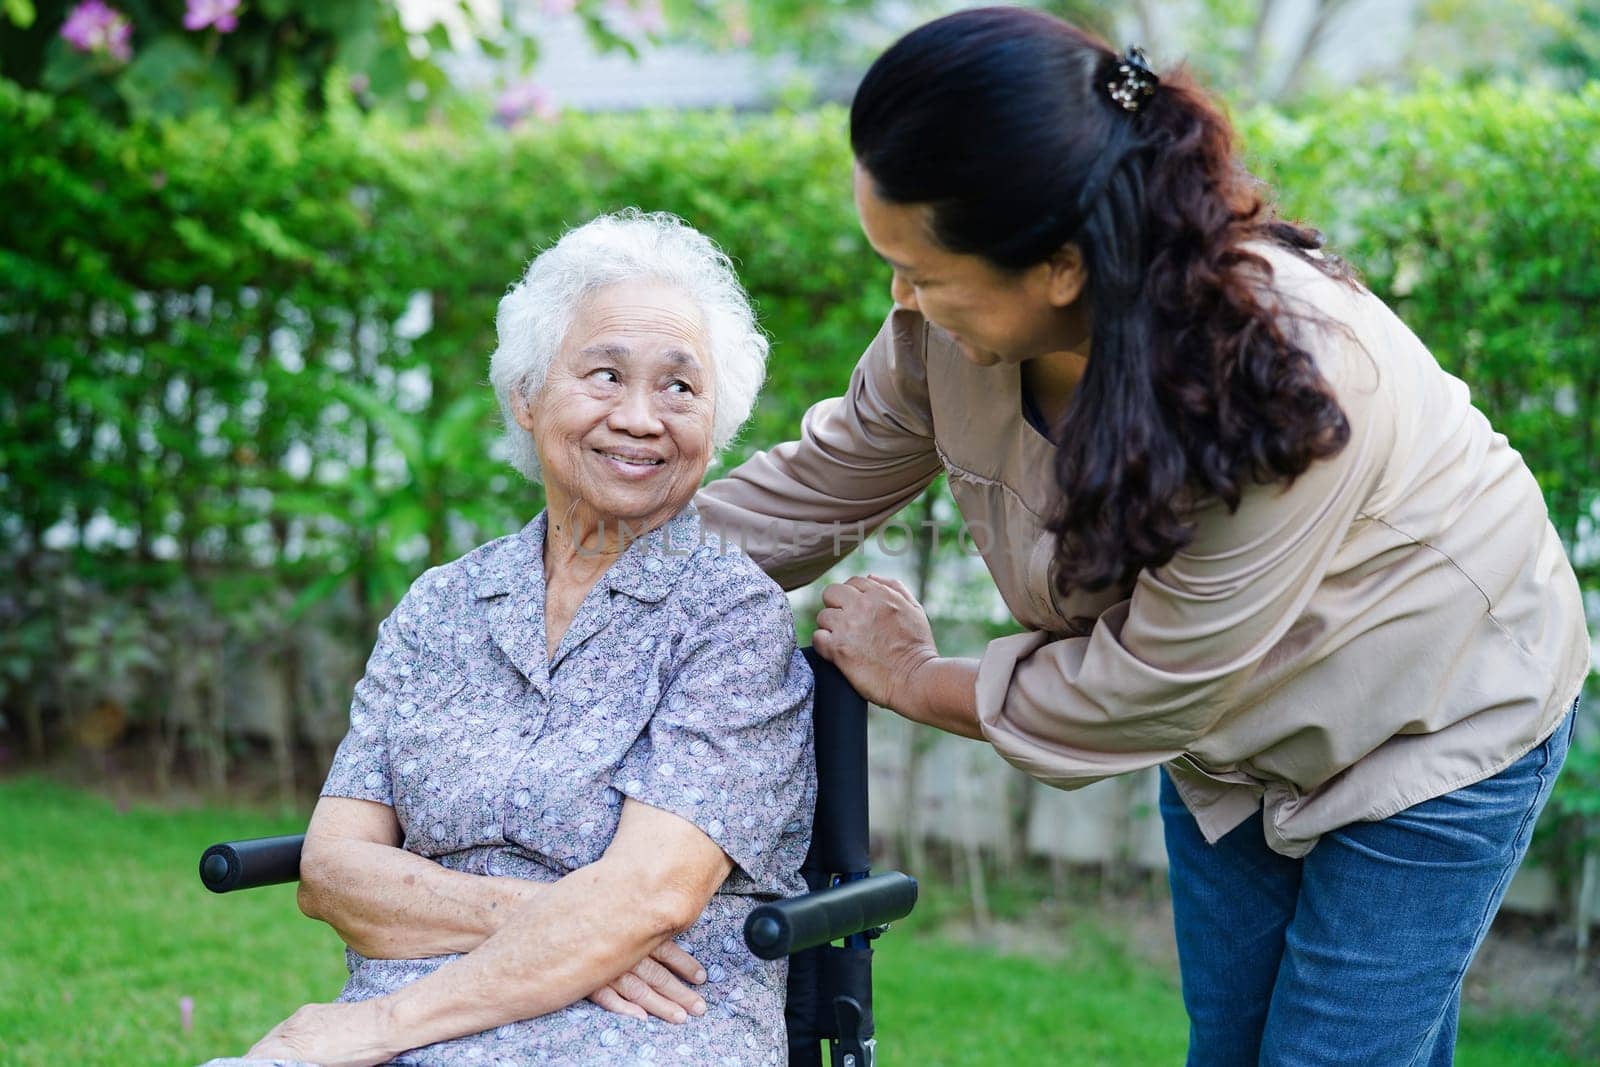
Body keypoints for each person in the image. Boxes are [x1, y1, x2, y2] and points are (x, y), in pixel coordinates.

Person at [695, 8, 1588, 1065]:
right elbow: (812, 488)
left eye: (924, 271)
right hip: (1235, 739)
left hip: (1434, 719)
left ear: (1062, 265)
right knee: (1234, 1047)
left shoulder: (1281, 389)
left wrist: (914, 674)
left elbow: (1139, 690)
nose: (902, 298)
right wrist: (565, 571)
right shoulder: (951, 338)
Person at [212, 210, 815, 1067]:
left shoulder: (729, 619)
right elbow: (333, 873)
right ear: (527, 397)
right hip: (416, 1021)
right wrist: (557, 925)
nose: (642, 417)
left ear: (714, 428)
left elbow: (648, 900)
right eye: (605, 374)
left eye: (681, 388)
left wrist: (371, 1029)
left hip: (647, 1031)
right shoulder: (440, 607)